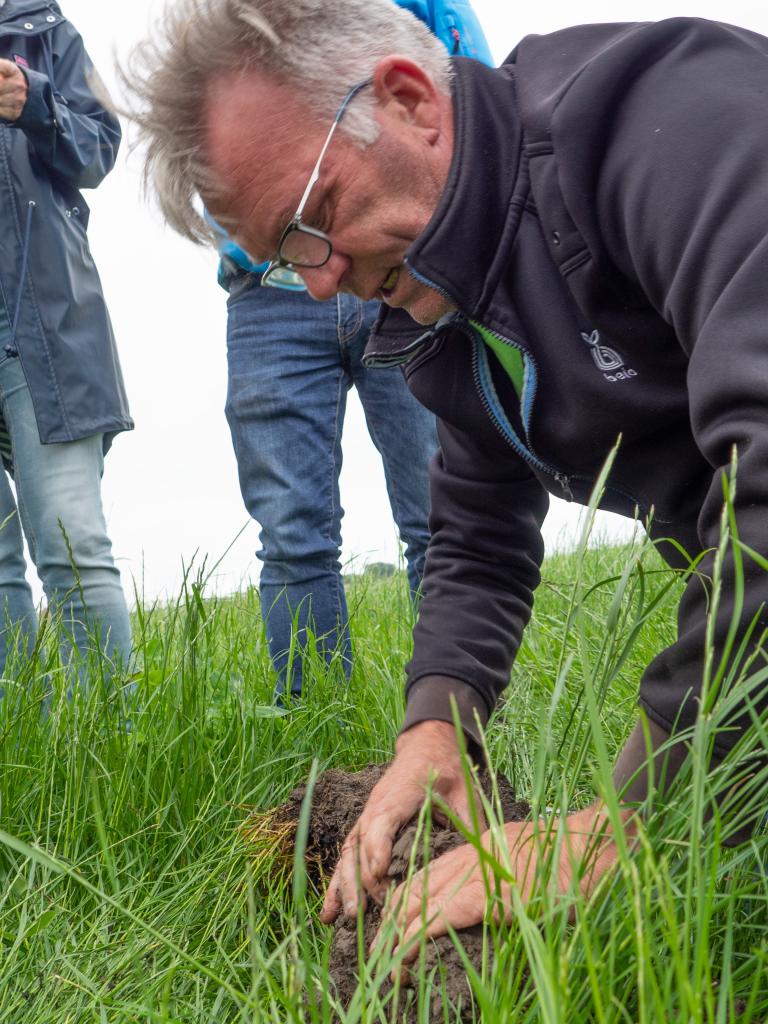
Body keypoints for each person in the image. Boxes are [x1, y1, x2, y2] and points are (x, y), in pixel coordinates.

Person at [127, 1, 768, 949]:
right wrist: (438, 728)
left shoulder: (665, 118)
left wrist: (628, 818)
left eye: (313, 222)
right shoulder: (449, 310)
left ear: (410, 101)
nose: (317, 281)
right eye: (281, 258)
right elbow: (475, 535)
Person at [209, 0, 491, 699]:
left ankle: (465, 725)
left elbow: (476, 98)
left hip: (408, 261)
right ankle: (320, 740)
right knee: (292, 526)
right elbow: (202, 138)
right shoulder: (226, 19)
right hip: (268, 286)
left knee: (444, 511)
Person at [0, 1, 132, 679]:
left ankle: (115, 762)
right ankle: (18, 756)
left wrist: (34, 102)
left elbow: (101, 146)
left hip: (40, 325)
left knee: (71, 544)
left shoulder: (44, 31)